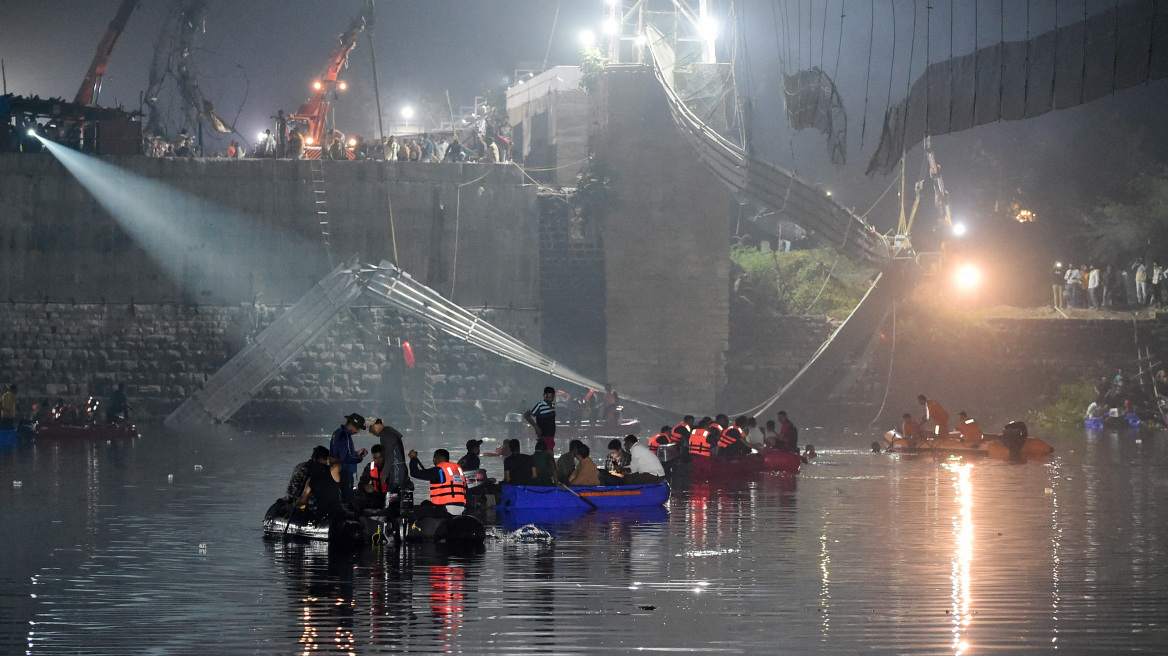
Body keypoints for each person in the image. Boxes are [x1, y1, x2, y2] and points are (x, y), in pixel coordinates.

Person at [408, 448, 467, 514]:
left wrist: (413, 458)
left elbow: (415, 473)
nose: (434, 461)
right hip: (461, 507)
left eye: (434, 459)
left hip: (444, 508)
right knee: (426, 504)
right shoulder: (458, 470)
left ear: (437, 458)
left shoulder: (439, 470)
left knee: (415, 510)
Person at [329, 413, 368, 503]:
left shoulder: (337, 432)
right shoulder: (345, 435)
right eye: (357, 428)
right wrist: (359, 457)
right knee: (347, 497)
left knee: (340, 496)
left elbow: (341, 453)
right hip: (344, 472)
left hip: (336, 471)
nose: (357, 431)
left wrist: (356, 453)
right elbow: (346, 457)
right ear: (351, 425)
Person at [368, 418, 407, 493]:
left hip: (396, 468)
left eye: (371, 431)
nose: (373, 434)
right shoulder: (390, 431)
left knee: (394, 492)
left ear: (373, 426)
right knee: (397, 492)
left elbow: (390, 456)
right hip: (399, 467)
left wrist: (384, 475)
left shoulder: (385, 434)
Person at [355, 444, 388, 511]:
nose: (378, 461)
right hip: (375, 496)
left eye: (380, 457)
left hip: (388, 496)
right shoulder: (369, 467)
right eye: (375, 458)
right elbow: (361, 483)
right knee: (356, 493)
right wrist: (365, 486)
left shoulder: (391, 467)